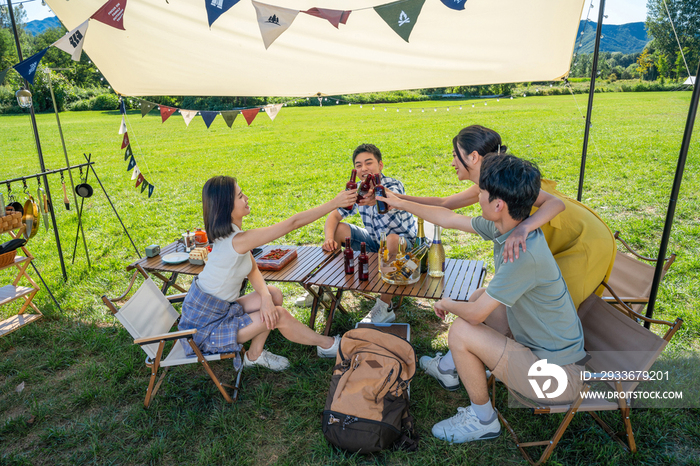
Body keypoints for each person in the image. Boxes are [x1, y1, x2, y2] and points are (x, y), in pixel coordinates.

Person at [379, 154, 587, 443]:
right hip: (545, 350)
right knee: (479, 295)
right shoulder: (511, 228)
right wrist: (399, 202)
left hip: (557, 377)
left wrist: (446, 303)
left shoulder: (522, 253)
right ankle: (460, 366)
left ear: (498, 204)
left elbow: (475, 316)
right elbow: (449, 218)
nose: (479, 196)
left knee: (463, 328)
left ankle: (483, 420)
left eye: (482, 193)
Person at [397, 125, 615, 391]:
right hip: (529, 239)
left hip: (585, 241)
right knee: (495, 297)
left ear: (473, 157)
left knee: (541, 305)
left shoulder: (510, 187)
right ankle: (476, 359)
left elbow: (556, 204)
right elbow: (448, 213)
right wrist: (397, 200)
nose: (452, 160)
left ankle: (521, 373)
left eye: (456, 154)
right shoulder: (500, 201)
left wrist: (525, 227)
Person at [178, 175, 357, 371]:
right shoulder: (237, 241)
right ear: (226, 207)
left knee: (273, 294)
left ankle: (254, 355)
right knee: (277, 315)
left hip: (218, 309)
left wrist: (264, 297)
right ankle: (328, 345)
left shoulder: (233, 235)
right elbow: (293, 223)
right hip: (204, 329)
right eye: (239, 196)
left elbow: (252, 268)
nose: (246, 197)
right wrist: (334, 203)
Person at [321, 143, 417, 324]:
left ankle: (384, 307)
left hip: (407, 251)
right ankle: (326, 289)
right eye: (358, 165)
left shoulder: (393, 186)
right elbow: (333, 216)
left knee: (392, 238)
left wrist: (376, 200)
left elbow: (390, 204)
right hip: (375, 243)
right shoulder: (357, 189)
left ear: (380, 165)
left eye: (368, 163)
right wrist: (328, 239)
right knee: (338, 229)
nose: (363, 168)